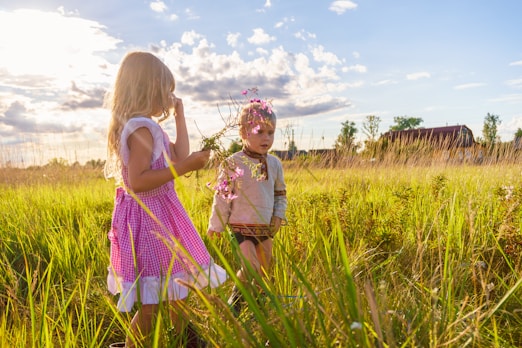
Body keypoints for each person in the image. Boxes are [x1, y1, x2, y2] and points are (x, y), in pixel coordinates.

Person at [104, 51, 227, 348]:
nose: (170, 96)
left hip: (158, 216)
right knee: (152, 306)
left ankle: (190, 341)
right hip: (150, 221)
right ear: (149, 88)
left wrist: (180, 117)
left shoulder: (149, 126)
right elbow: (137, 181)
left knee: (176, 291)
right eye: (166, 89)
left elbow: (179, 154)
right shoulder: (141, 128)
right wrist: (184, 169)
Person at [207, 98, 287, 314]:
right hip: (239, 226)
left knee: (263, 269)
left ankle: (254, 307)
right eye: (260, 131)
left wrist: (278, 217)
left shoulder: (275, 164)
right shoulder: (233, 162)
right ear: (243, 133)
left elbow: (280, 194)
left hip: (265, 227)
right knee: (250, 266)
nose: (266, 138)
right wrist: (217, 225)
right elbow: (223, 197)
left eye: (271, 133)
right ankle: (236, 306)